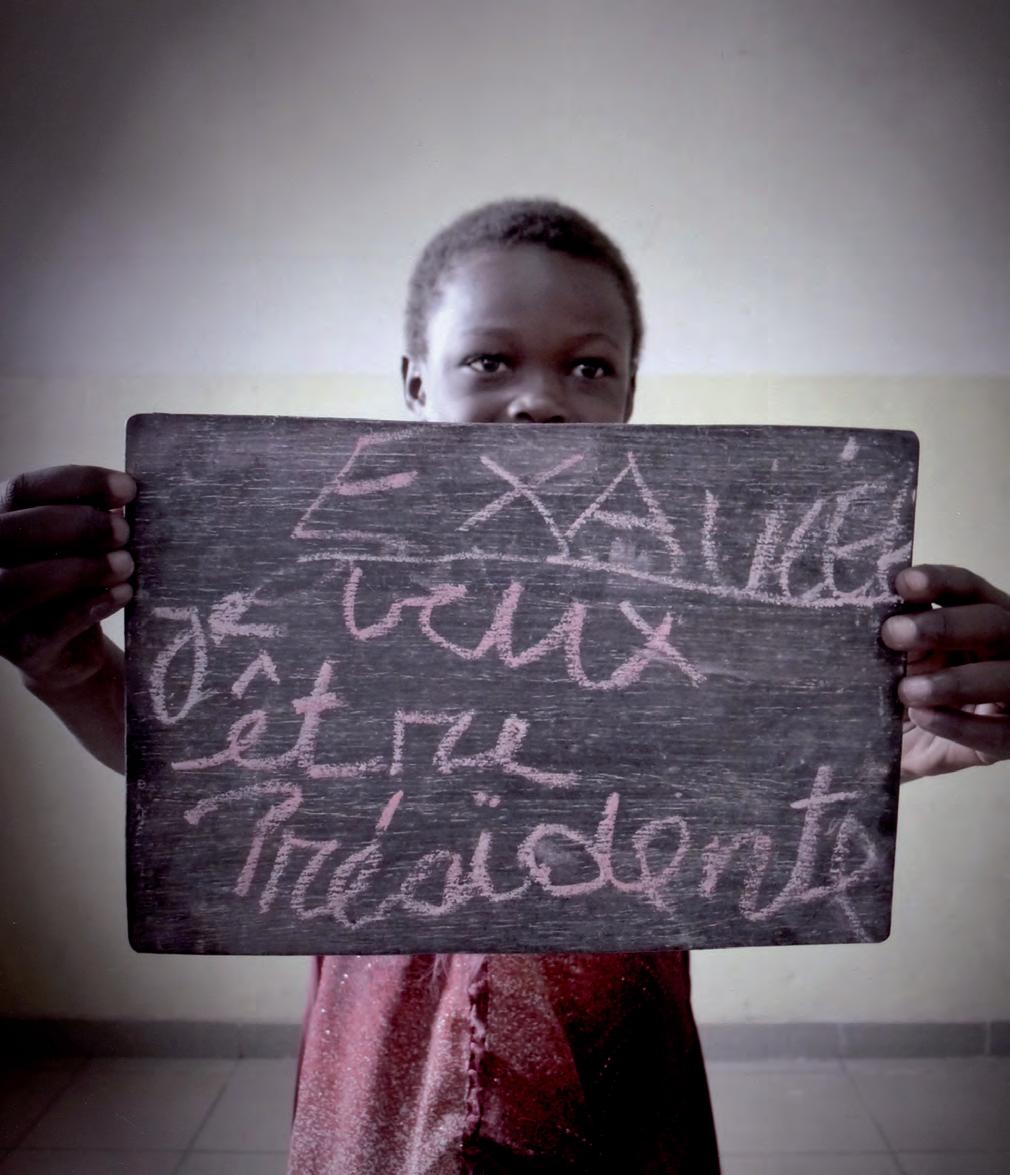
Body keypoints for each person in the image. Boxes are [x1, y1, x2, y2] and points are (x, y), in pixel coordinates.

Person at [1, 199, 1007, 1173]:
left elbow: (751, 780)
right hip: (387, 1033)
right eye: (489, 359)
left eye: (588, 366)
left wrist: (887, 745)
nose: (539, 399)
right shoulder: (326, 578)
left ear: (628, 398)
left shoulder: (693, 601)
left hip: (615, 1030)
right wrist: (72, 669)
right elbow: (213, 764)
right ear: (413, 382)